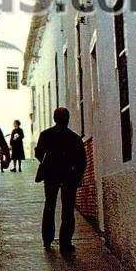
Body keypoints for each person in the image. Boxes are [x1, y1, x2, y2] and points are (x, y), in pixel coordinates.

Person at [34, 107, 87, 253]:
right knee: (68, 209)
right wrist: (78, 175)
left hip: (51, 174)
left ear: (54, 118)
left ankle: (47, 239)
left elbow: (39, 153)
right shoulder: (74, 137)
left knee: (49, 206)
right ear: (68, 119)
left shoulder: (46, 135)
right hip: (68, 176)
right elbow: (81, 160)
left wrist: (48, 161)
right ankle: (65, 242)